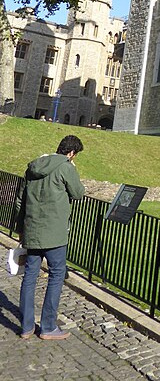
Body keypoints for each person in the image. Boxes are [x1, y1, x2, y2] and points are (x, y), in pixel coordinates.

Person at [14, 135, 85, 340]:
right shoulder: (66, 167)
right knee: (56, 276)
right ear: (71, 153)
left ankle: (26, 327)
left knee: (29, 277)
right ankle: (47, 326)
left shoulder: (32, 167)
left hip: (33, 231)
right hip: (54, 233)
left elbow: (20, 200)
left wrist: (21, 228)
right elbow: (78, 193)